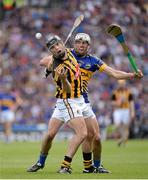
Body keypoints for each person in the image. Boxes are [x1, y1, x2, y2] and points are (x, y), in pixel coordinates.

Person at [40, 33, 143, 173]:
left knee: (96, 137)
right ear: (74, 44)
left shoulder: (93, 61)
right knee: (66, 134)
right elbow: (44, 61)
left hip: (83, 100)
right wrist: (50, 65)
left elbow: (114, 73)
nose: (81, 45)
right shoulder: (65, 52)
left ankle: (92, 166)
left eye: (84, 43)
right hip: (67, 99)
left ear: (88, 46)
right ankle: (55, 164)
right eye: (78, 42)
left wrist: (131, 75)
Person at [27, 35, 96, 174]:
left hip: (68, 100)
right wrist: (63, 78)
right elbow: (68, 90)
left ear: (62, 44)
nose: (56, 48)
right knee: (82, 133)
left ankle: (41, 162)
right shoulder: (59, 69)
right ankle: (65, 166)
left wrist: (48, 63)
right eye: (52, 48)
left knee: (50, 134)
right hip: (68, 100)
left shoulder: (70, 52)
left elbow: (43, 61)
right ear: (51, 51)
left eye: (57, 45)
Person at [111, 80, 135, 146]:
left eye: (122, 84)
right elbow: (112, 103)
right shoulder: (115, 92)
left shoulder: (128, 92)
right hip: (118, 110)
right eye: (120, 84)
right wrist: (118, 102)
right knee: (117, 125)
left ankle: (123, 141)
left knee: (126, 126)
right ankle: (121, 139)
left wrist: (132, 112)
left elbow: (131, 102)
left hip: (126, 110)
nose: (121, 85)